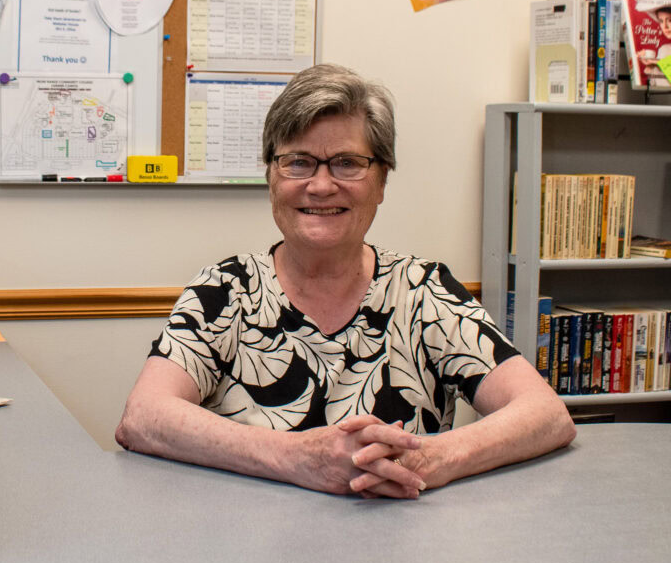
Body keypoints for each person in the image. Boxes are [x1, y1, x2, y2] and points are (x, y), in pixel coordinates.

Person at [115, 63, 576, 499]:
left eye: (347, 163)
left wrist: (433, 458)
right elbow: (142, 417)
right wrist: (299, 459)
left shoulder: (424, 292)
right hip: (246, 555)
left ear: (381, 180)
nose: (320, 185)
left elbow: (546, 415)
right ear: (271, 178)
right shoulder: (225, 291)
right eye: (297, 162)